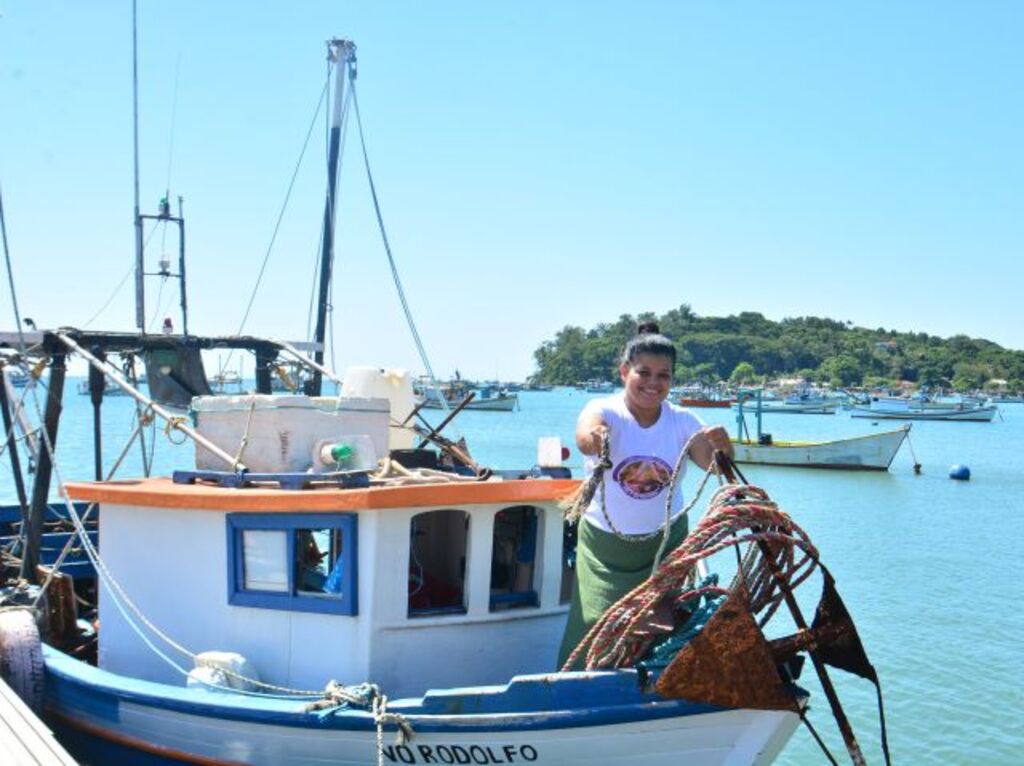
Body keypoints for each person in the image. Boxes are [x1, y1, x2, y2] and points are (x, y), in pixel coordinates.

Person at [557, 322, 733, 669]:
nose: (653, 383)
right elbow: (584, 435)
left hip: (667, 544)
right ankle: (573, 688)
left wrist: (725, 448)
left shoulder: (682, 421)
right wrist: (596, 438)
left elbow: (711, 465)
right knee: (595, 627)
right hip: (606, 549)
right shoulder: (605, 411)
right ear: (625, 372)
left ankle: (650, 689)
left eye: (663, 375)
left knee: (665, 628)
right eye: (644, 373)